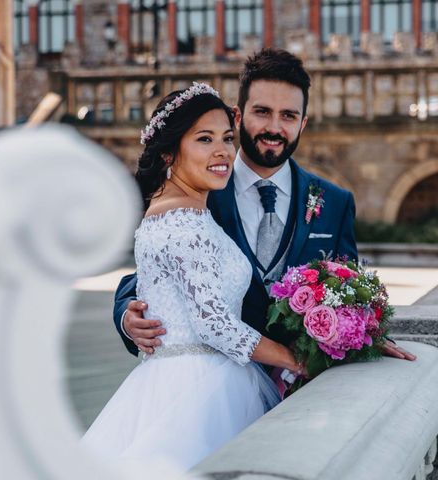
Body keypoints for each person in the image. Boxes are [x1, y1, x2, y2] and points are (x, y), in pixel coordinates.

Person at [114, 48, 416, 362]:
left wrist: (367, 334)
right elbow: (150, 273)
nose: (274, 127)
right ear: (238, 116)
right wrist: (126, 316)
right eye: (262, 111)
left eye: (288, 115)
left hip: (301, 390)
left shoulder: (335, 202)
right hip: (218, 375)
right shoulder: (199, 191)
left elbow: (349, 291)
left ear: (303, 124)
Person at [82, 83, 298, 470]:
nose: (222, 151)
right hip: (197, 389)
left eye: (227, 139)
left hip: (190, 376)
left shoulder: (178, 210)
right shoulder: (184, 221)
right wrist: (294, 359)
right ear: (169, 152)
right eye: (204, 139)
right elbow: (215, 326)